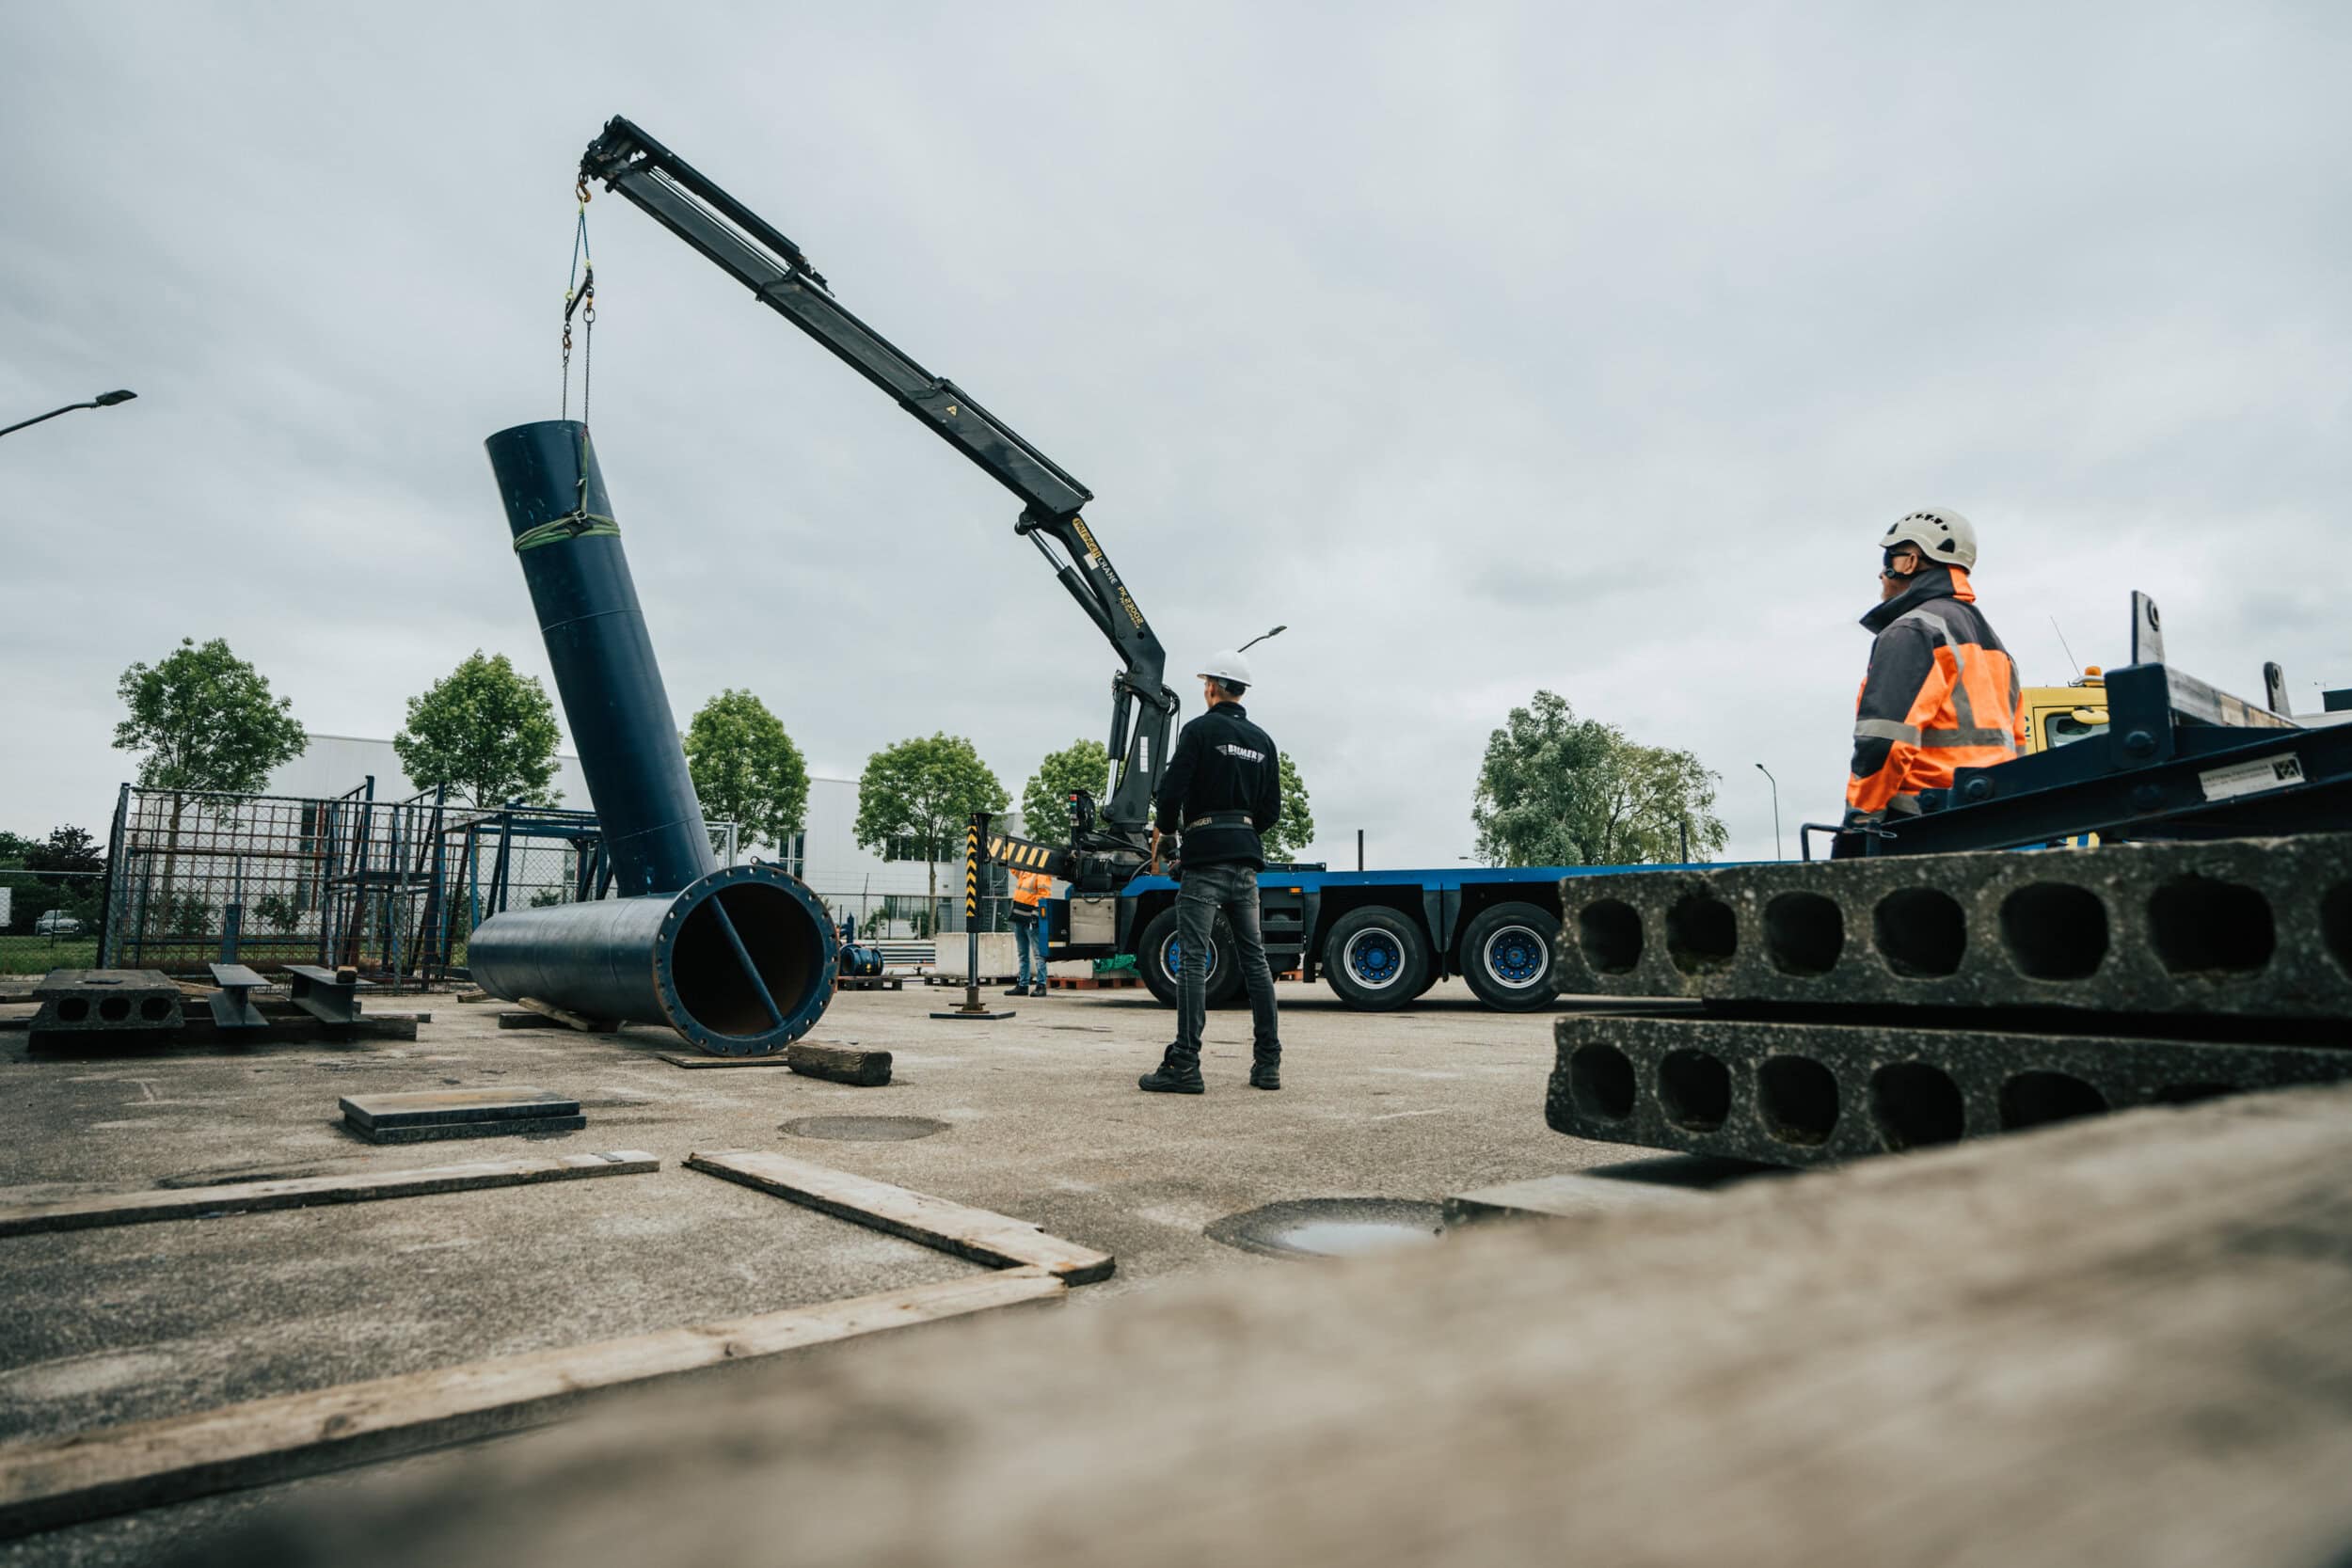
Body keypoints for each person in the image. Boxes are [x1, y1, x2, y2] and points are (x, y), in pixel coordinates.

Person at [1139, 650, 1284, 1094]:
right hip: (1245, 861)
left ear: (1212, 688)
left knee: (1194, 961)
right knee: (1255, 961)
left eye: (1206, 683)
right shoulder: (1262, 741)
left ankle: (1185, 1063)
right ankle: (1267, 1065)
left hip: (1204, 862)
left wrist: (1165, 833)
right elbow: (1271, 810)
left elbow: (1171, 792)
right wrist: (1240, 831)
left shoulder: (1199, 731)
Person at [1845, 509, 2026, 845]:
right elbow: (2016, 745)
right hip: (1987, 820)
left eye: (1889, 558)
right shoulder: (1996, 647)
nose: (1881, 574)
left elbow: (1883, 740)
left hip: (1919, 824)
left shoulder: (1913, 630)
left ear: (1909, 562)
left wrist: (1859, 821)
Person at [1004, 866, 1055, 998]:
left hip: (1031, 918)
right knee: (1022, 954)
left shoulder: (1042, 874)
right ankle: (1023, 985)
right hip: (1019, 917)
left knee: (1038, 954)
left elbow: (1044, 895)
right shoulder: (1025, 872)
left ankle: (1041, 985)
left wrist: (1036, 914)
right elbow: (1014, 868)